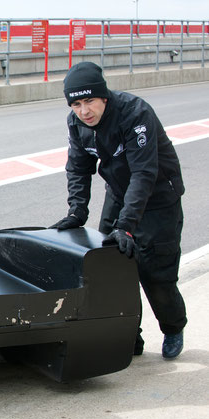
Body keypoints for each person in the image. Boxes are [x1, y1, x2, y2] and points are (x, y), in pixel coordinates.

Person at [50, 61, 186, 359]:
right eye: (76, 104)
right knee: (109, 266)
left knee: (155, 271)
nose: (84, 111)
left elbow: (144, 174)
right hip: (120, 191)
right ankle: (128, 335)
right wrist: (77, 211)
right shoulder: (77, 123)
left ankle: (173, 327)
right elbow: (77, 167)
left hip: (158, 197)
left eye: (89, 101)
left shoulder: (135, 113)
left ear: (104, 98)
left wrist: (125, 225)